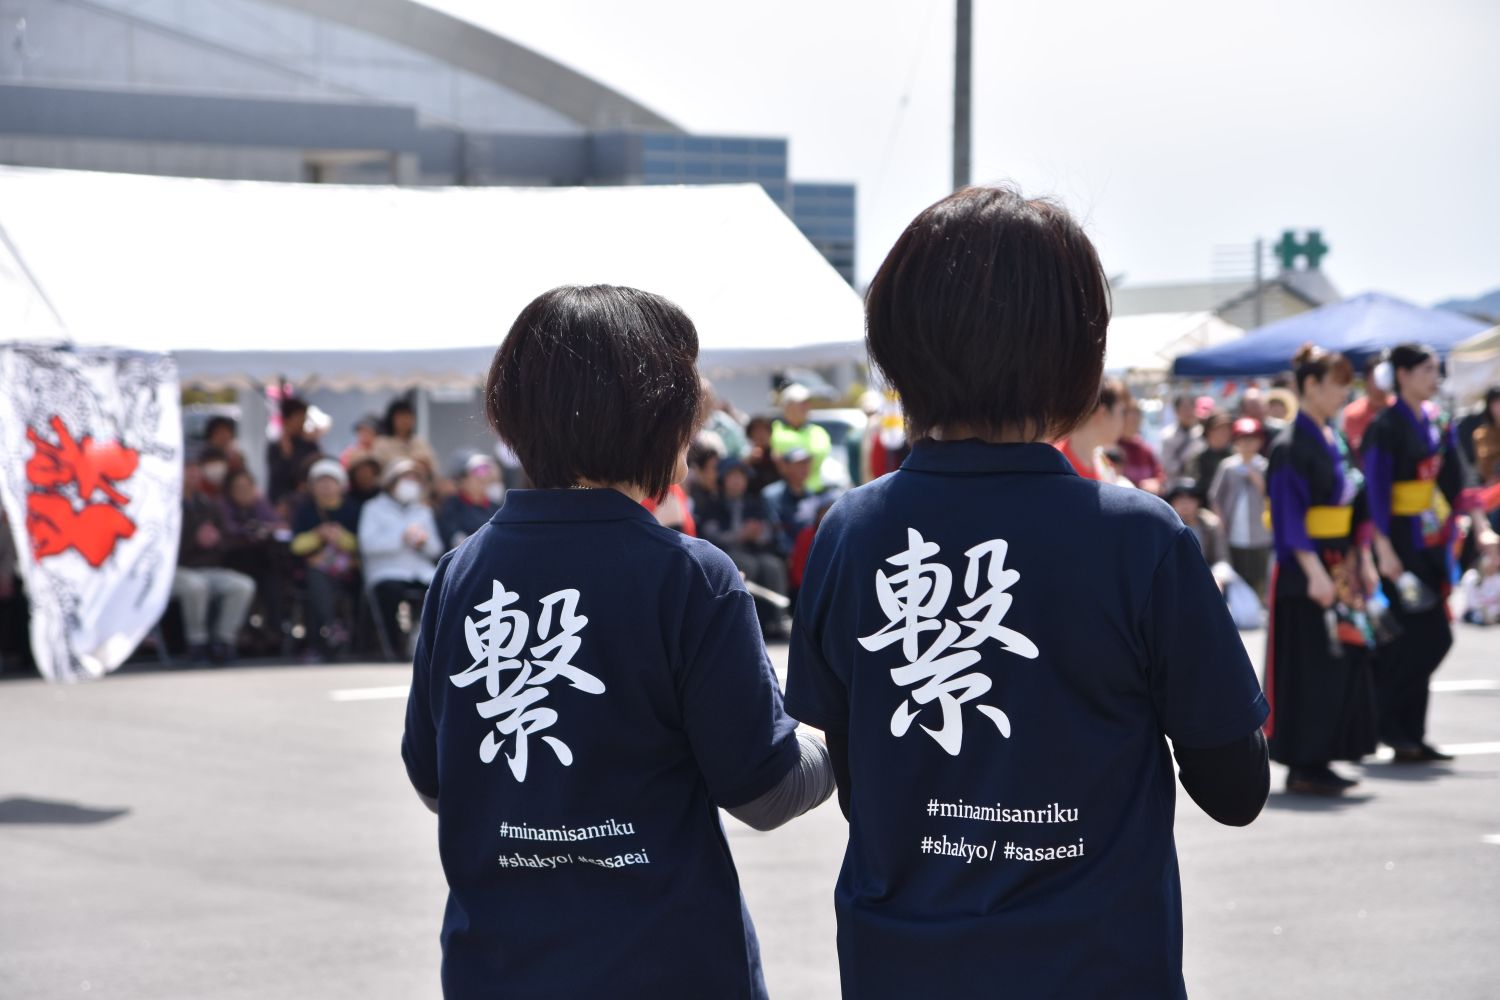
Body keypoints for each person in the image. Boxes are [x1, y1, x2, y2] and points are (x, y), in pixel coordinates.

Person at [785, 186, 1268, 999]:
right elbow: (1235, 789)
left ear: (898, 342)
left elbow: (858, 780)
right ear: (1078, 353)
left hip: (900, 963)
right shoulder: (1138, 538)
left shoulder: (852, 531)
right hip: (1099, 965)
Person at [401, 284, 833, 999]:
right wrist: (838, 733)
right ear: (657, 420)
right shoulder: (690, 577)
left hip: (496, 969)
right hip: (665, 966)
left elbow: (432, 779)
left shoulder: (459, 573)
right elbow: (766, 788)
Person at [1264, 345, 1379, 794]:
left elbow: (1359, 505)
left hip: (1339, 561)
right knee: (1309, 664)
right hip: (1306, 568)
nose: (1344, 393)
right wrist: (1313, 571)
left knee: (1342, 660)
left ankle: (1324, 754)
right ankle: (1304, 762)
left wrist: (1362, 558)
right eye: (1337, 384)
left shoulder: (1337, 438)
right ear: (1310, 385)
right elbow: (1288, 516)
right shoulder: (1290, 445)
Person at [1363, 343, 1467, 763]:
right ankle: (1389, 723)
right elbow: (1375, 489)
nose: (1433, 377)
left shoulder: (1437, 420)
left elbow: (1454, 479)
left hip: (1430, 538)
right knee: (1421, 637)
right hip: (1399, 542)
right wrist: (1382, 547)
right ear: (1402, 375)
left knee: (1424, 636)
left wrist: (1465, 522)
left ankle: (1411, 733)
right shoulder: (1385, 425)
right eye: (1425, 369)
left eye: (1435, 369)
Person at [171, 458, 257, 664]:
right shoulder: (166, 504)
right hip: (174, 570)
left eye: (195, 470)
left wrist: (216, 539)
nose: (192, 475)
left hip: (206, 568)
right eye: (187, 470)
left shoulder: (208, 504)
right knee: (195, 585)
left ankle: (223, 642)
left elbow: (226, 539)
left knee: (242, 585)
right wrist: (194, 539)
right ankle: (197, 642)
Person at [359, 458, 442, 657]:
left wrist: (423, 543)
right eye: (406, 478)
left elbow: (436, 548)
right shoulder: (373, 508)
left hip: (419, 570)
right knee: (390, 592)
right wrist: (401, 537)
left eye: (415, 479)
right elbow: (367, 544)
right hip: (386, 571)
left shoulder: (423, 511)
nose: (410, 483)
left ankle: (425, 640)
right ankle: (395, 646)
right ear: (391, 481)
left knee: (439, 588)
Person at [698, 457, 790, 636]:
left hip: (754, 550)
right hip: (725, 552)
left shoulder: (753, 504)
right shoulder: (713, 504)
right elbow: (710, 533)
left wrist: (758, 534)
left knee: (772, 565)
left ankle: (777, 618)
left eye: (741, 476)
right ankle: (743, 619)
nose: (737, 481)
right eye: (732, 476)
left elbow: (768, 532)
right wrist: (740, 534)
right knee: (746, 564)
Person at [290, 459, 361, 662]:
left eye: (331, 482)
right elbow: (296, 545)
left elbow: (360, 543)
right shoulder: (305, 510)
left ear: (341, 485)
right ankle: (329, 629)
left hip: (349, 572)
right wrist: (318, 535)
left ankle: (333, 632)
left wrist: (340, 537)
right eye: (320, 482)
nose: (326, 487)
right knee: (316, 579)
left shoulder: (352, 509)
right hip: (314, 571)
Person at [218, 468, 288, 652]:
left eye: (247, 487)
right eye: (238, 488)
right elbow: (229, 531)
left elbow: (277, 525)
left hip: (263, 563)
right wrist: (247, 531)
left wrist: (264, 529)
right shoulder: (223, 507)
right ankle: (242, 635)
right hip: (233, 562)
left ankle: (274, 634)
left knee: (274, 583)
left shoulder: (260, 504)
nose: (243, 492)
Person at [1210, 417, 1273, 600]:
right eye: (1242, 440)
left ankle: (1259, 603)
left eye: (1252, 439)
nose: (1247, 444)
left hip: (1260, 532)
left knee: (1259, 573)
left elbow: (1270, 494)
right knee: (1236, 572)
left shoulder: (1264, 466)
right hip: (1233, 529)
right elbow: (1215, 496)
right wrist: (1220, 519)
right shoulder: (1228, 466)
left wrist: (1255, 477)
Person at [1057, 378, 1131, 483]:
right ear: (1102, 413)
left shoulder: (1103, 463)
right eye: (1122, 412)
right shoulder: (1056, 462)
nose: (1125, 422)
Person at [770, 384, 833, 492]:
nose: (806, 407)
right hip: (788, 495)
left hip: (816, 492)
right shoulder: (776, 429)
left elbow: (817, 456)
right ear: (787, 407)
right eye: (801, 404)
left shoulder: (818, 431)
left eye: (807, 403)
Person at [761, 448, 823, 556]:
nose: (804, 468)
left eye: (807, 463)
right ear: (785, 467)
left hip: (808, 554)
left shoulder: (813, 497)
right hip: (778, 555)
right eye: (799, 464)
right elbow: (776, 531)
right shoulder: (771, 495)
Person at [266, 396, 322, 514]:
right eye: (300, 417)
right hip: (281, 502)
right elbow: (277, 477)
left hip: (307, 499)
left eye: (304, 417)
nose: (303, 422)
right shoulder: (276, 446)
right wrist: (286, 455)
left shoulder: (309, 444)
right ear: (288, 419)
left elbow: (317, 467)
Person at [436, 453, 503, 550]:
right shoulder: (451, 506)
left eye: (485, 472)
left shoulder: (496, 509)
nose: (482, 477)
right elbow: (456, 540)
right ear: (461, 480)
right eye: (475, 473)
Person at [371, 397, 440, 480]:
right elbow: (377, 473)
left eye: (408, 416)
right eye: (400, 417)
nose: (405, 421)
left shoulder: (420, 443)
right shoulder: (382, 443)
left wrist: (426, 467)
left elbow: (434, 470)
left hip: (419, 485)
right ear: (391, 419)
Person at [1165, 478, 1229, 566]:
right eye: (1180, 499)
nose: (1185, 504)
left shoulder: (1210, 525)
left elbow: (1221, 559)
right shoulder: (1164, 527)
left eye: (1191, 499)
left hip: (1206, 571)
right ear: (1172, 502)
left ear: (1199, 502)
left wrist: (1218, 572)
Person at [1341, 358, 1390, 460]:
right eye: (1377, 378)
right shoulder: (1353, 413)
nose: (1381, 384)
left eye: (1386, 377)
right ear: (1366, 380)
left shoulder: (1399, 409)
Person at [1118, 400, 1165, 493]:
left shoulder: (1145, 449)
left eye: (1138, 417)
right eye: (1131, 418)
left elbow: (1159, 475)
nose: (1135, 421)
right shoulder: (1112, 447)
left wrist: (1156, 482)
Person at [1159, 393, 1205, 480]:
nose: (1188, 412)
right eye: (1184, 408)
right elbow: (1167, 465)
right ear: (1176, 411)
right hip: (1175, 483)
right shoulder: (1167, 435)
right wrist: (1185, 464)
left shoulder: (1202, 434)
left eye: (1191, 407)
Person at [1194, 411, 1234, 490]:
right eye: (1220, 429)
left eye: (1228, 429)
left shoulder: (1236, 456)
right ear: (1209, 431)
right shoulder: (1199, 458)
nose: (1225, 433)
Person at [744, 415, 782, 495]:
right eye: (757, 432)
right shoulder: (746, 455)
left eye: (764, 431)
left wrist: (780, 463)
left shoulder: (777, 455)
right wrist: (749, 461)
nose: (761, 435)